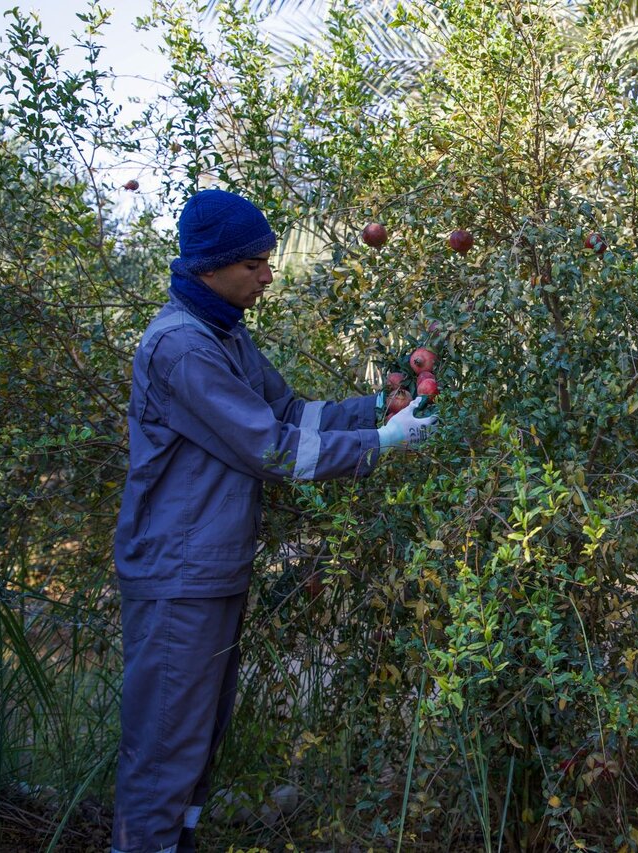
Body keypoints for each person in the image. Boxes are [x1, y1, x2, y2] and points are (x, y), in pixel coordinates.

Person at [112, 188, 436, 853]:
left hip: (209, 568)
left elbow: (292, 414)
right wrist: (386, 442)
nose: (268, 274)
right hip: (178, 575)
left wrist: (378, 406)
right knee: (164, 746)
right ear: (213, 264)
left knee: (195, 743)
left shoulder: (223, 332)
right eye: (255, 263)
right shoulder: (183, 348)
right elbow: (272, 447)